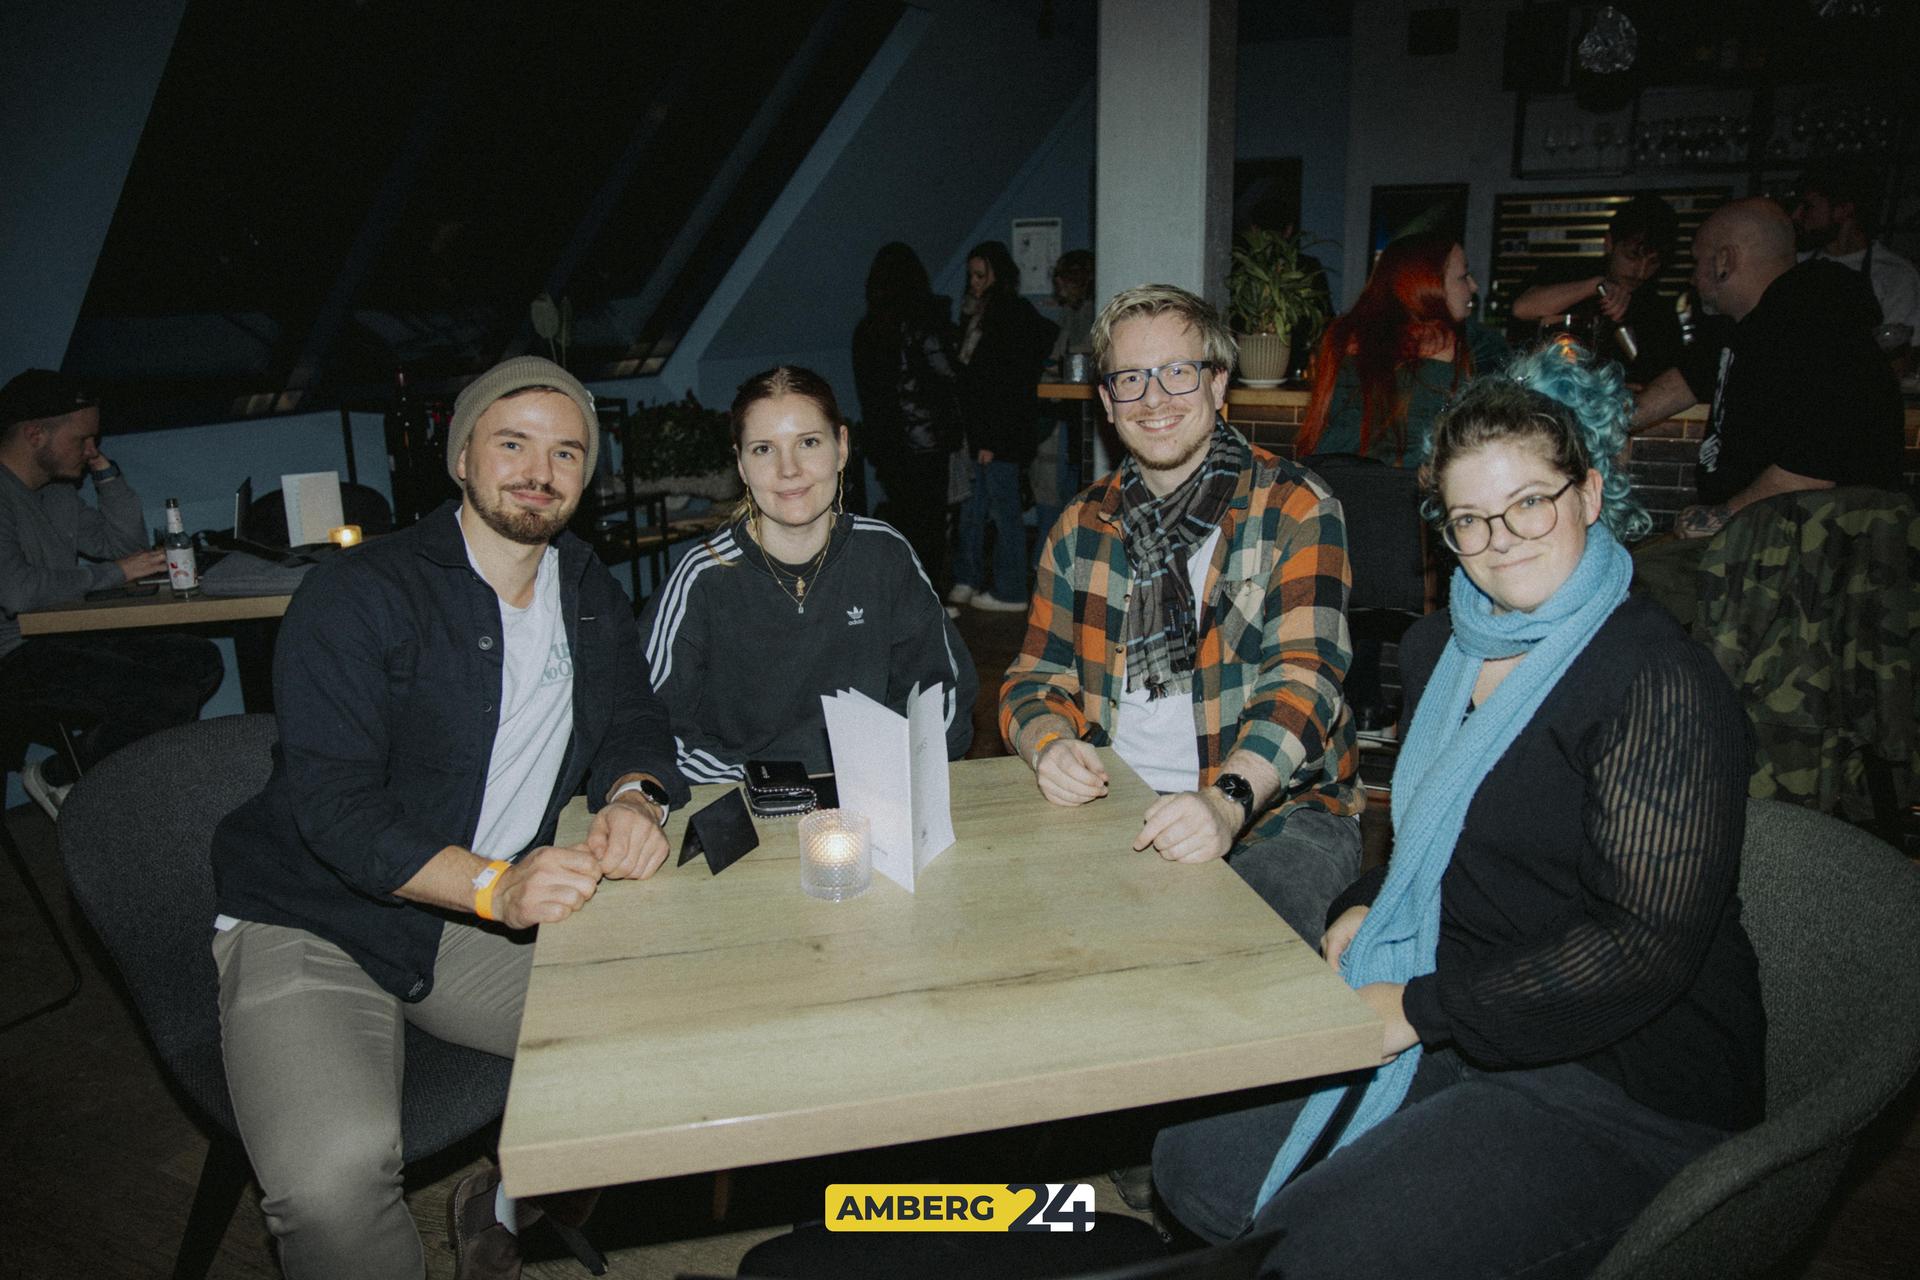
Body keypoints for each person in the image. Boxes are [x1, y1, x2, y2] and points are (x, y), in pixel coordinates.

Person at [1153, 345, 1765, 1278]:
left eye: (1530, 502)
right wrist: (1363, 898)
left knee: (1317, 1251)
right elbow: (1442, 836)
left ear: (1589, 495)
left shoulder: (1656, 680)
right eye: (1470, 519)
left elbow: (1639, 953)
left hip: (1623, 1077)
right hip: (1468, 997)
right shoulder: (1444, 645)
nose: (1500, 539)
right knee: (1195, 1161)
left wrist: (1418, 1008)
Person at [209, 355, 687, 1280]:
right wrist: (497, 886)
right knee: (330, 1184)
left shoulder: (586, 587)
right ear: (461, 457)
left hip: (468, 921)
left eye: (566, 453)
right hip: (314, 918)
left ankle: (505, 1203)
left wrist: (634, 793)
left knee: (663, 1033)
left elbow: (634, 715)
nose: (539, 471)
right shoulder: (359, 594)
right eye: (512, 443)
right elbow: (334, 809)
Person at [1000, 284, 1363, 949]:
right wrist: (1047, 745)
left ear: (1218, 384)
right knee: (1029, 948)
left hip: (1277, 809)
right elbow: (1032, 679)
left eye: (1178, 372)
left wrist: (1224, 802)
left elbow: (1305, 684)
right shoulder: (1081, 526)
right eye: (1132, 379)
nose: (1155, 399)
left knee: (1235, 967)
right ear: (1107, 402)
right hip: (1118, 802)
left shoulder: (1297, 508)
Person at [643, 365, 975, 781]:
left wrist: (884, 772)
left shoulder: (885, 555)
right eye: (764, 449)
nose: (789, 469)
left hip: (873, 793)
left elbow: (943, 698)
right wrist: (769, 787)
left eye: (809, 442)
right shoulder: (703, 577)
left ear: (842, 448)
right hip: (746, 799)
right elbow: (650, 724)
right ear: (741, 466)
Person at [1629, 198, 1903, 622]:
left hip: (1813, 560)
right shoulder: (1744, 324)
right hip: (1761, 540)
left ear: (1724, 261)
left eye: (1697, 260)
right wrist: (1593, 422)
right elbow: (1682, 381)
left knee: (1631, 595)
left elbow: (1810, 470)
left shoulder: (1814, 320)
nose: (1691, 274)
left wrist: (1719, 516)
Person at [0, 369, 223, 819]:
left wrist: (106, 475)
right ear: (34, 434)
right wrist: (114, 573)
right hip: (10, 659)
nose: (92, 450)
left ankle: (95, 780)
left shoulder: (55, 493)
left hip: (53, 640)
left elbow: (123, 548)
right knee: (163, 695)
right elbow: (18, 591)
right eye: (83, 440)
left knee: (199, 660)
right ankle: (67, 779)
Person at [1296, 232, 1508, 467]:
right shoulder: (1465, 341)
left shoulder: (1346, 335)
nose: (1474, 286)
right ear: (1428, 286)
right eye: (1463, 276)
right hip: (1406, 492)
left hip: (1335, 486)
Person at [949, 239, 1058, 612]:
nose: (975, 282)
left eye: (981, 275)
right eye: (971, 276)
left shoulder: (1007, 313)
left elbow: (1004, 384)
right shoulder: (979, 313)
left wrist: (991, 439)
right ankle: (969, 578)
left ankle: (1010, 589)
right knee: (974, 509)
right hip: (983, 429)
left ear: (997, 274)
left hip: (998, 433)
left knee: (1002, 510)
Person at [851, 242, 963, 594]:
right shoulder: (922, 322)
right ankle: (929, 600)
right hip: (926, 440)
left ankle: (901, 597)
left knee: (902, 522)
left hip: (887, 442)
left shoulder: (866, 329)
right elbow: (948, 374)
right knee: (930, 526)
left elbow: (868, 392)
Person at [1510, 193, 1685, 385]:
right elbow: (1522, 308)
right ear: (1609, 243)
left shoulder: (1658, 310)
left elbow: (1663, 377)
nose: (1641, 272)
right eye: (1632, 256)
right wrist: (1595, 286)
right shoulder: (1568, 273)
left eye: (1653, 262)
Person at [1793, 163, 1920, 370]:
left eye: (1807, 207)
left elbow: (1899, 359)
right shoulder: (1796, 264)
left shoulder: (1895, 275)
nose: (1796, 216)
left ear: (1844, 210)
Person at [1033, 248, 1095, 535]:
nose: (1060, 289)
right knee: (1061, 484)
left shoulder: (1089, 314)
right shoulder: (1071, 315)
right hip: (1066, 413)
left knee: (1073, 483)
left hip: (1080, 414)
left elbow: (1077, 357)